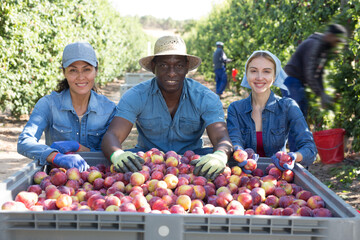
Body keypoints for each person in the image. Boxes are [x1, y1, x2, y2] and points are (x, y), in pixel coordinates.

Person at [101, 35, 233, 180]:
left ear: (187, 67)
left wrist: (220, 156)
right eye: (163, 65)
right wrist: (117, 154)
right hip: (147, 164)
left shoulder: (205, 97)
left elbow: (221, 137)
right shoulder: (136, 96)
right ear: (153, 67)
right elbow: (112, 135)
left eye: (179, 66)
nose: (171, 72)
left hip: (191, 163)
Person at [17, 42, 116, 172]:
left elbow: (107, 153)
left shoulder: (109, 109)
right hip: (59, 179)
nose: (80, 77)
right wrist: (55, 157)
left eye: (87, 69)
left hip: (97, 180)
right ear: (64, 72)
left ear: (96, 71)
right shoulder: (48, 104)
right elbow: (24, 142)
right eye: (73, 70)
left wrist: (79, 148)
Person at [226, 50, 317, 170]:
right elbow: (235, 140)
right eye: (253, 71)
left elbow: (310, 149)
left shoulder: (288, 106)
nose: (259, 77)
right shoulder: (235, 109)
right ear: (246, 75)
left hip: (278, 174)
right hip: (244, 175)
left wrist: (293, 156)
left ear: (274, 77)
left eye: (266, 71)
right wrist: (239, 152)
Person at [281, 23, 347, 151]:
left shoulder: (323, 49)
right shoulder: (314, 45)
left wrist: (323, 94)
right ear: (330, 35)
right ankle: (294, 156)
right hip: (291, 81)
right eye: (337, 40)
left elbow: (319, 74)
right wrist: (321, 95)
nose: (336, 44)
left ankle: (297, 154)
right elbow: (310, 73)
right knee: (296, 119)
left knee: (300, 118)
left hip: (298, 83)